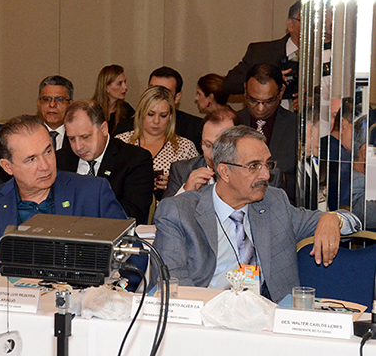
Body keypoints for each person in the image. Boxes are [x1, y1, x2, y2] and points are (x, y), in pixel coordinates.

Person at [153, 125, 360, 303]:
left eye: (267, 164)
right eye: (254, 166)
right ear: (224, 172)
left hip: (269, 325)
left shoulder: (274, 203)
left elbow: (356, 218)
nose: (266, 175)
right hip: (207, 322)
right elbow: (172, 285)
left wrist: (334, 218)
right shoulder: (179, 212)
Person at [0, 115, 128, 267]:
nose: (45, 166)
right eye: (31, 159)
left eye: (48, 152)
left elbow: (130, 256)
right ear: (7, 167)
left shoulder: (93, 193)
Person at [56, 100, 153, 224]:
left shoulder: (135, 160)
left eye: (85, 137)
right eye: (71, 139)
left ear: (103, 129)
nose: (78, 146)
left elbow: (133, 214)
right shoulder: (60, 160)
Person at [164, 108, 286, 198]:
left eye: (220, 146)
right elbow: (161, 222)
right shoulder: (183, 171)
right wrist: (185, 193)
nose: (212, 154)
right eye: (207, 145)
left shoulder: (267, 176)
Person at [115, 86, 199, 200]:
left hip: (166, 213)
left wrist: (176, 185)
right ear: (141, 113)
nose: (156, 121)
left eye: (163, 115)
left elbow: (198, 189)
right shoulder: (121, 142)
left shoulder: (184, 147)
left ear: (170, 116)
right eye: (150, 114)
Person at [239, 63, 297, 203]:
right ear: (245, 89)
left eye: (268, 101)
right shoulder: (233, 123)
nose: (260, 108)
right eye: (253, 100)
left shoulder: (296, 127)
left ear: (281, 91)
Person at [224, 0, 301, 101]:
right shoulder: (261, 52)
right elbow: (230, 84)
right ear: (290, 24)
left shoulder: (325, 57)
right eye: (309, 21)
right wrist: (266, 78)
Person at [114, 67, 204, 151]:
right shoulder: (123, 131)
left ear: (177, 97)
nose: (158, 95)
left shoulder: (193, 131)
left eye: (165, 92)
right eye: (153, 90)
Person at [92, 64, 134, 133]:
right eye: (119, 83)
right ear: (106, 87)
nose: (125, 87)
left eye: (125, 82)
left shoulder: (126, 110)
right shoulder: (91, 110)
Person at [37, 75, 73, 150]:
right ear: (39, 103)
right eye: (47, 99)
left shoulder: (78, 137)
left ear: (70, 104)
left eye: (59, 99)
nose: (52, 104)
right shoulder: (29, 135)